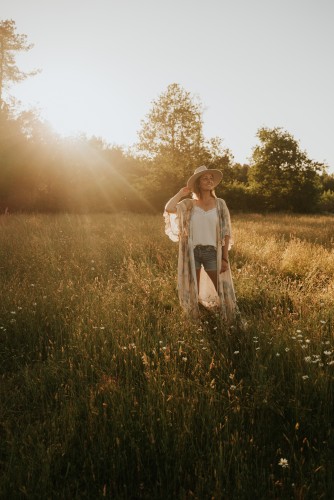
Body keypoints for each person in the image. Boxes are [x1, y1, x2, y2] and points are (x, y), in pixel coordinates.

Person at [164, 165, 238, 322]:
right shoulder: (188, 205)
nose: (209, 180)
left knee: (223, 289)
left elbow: (226, 232)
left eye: (211, 178)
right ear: (198, 183)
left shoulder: (220, 204)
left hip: (212, 252)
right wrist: (180, 193)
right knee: (193, 289)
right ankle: (194, 321)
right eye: (205, 178)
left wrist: (224, 258)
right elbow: (169, 208)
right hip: (192, 252)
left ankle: (232, 319)